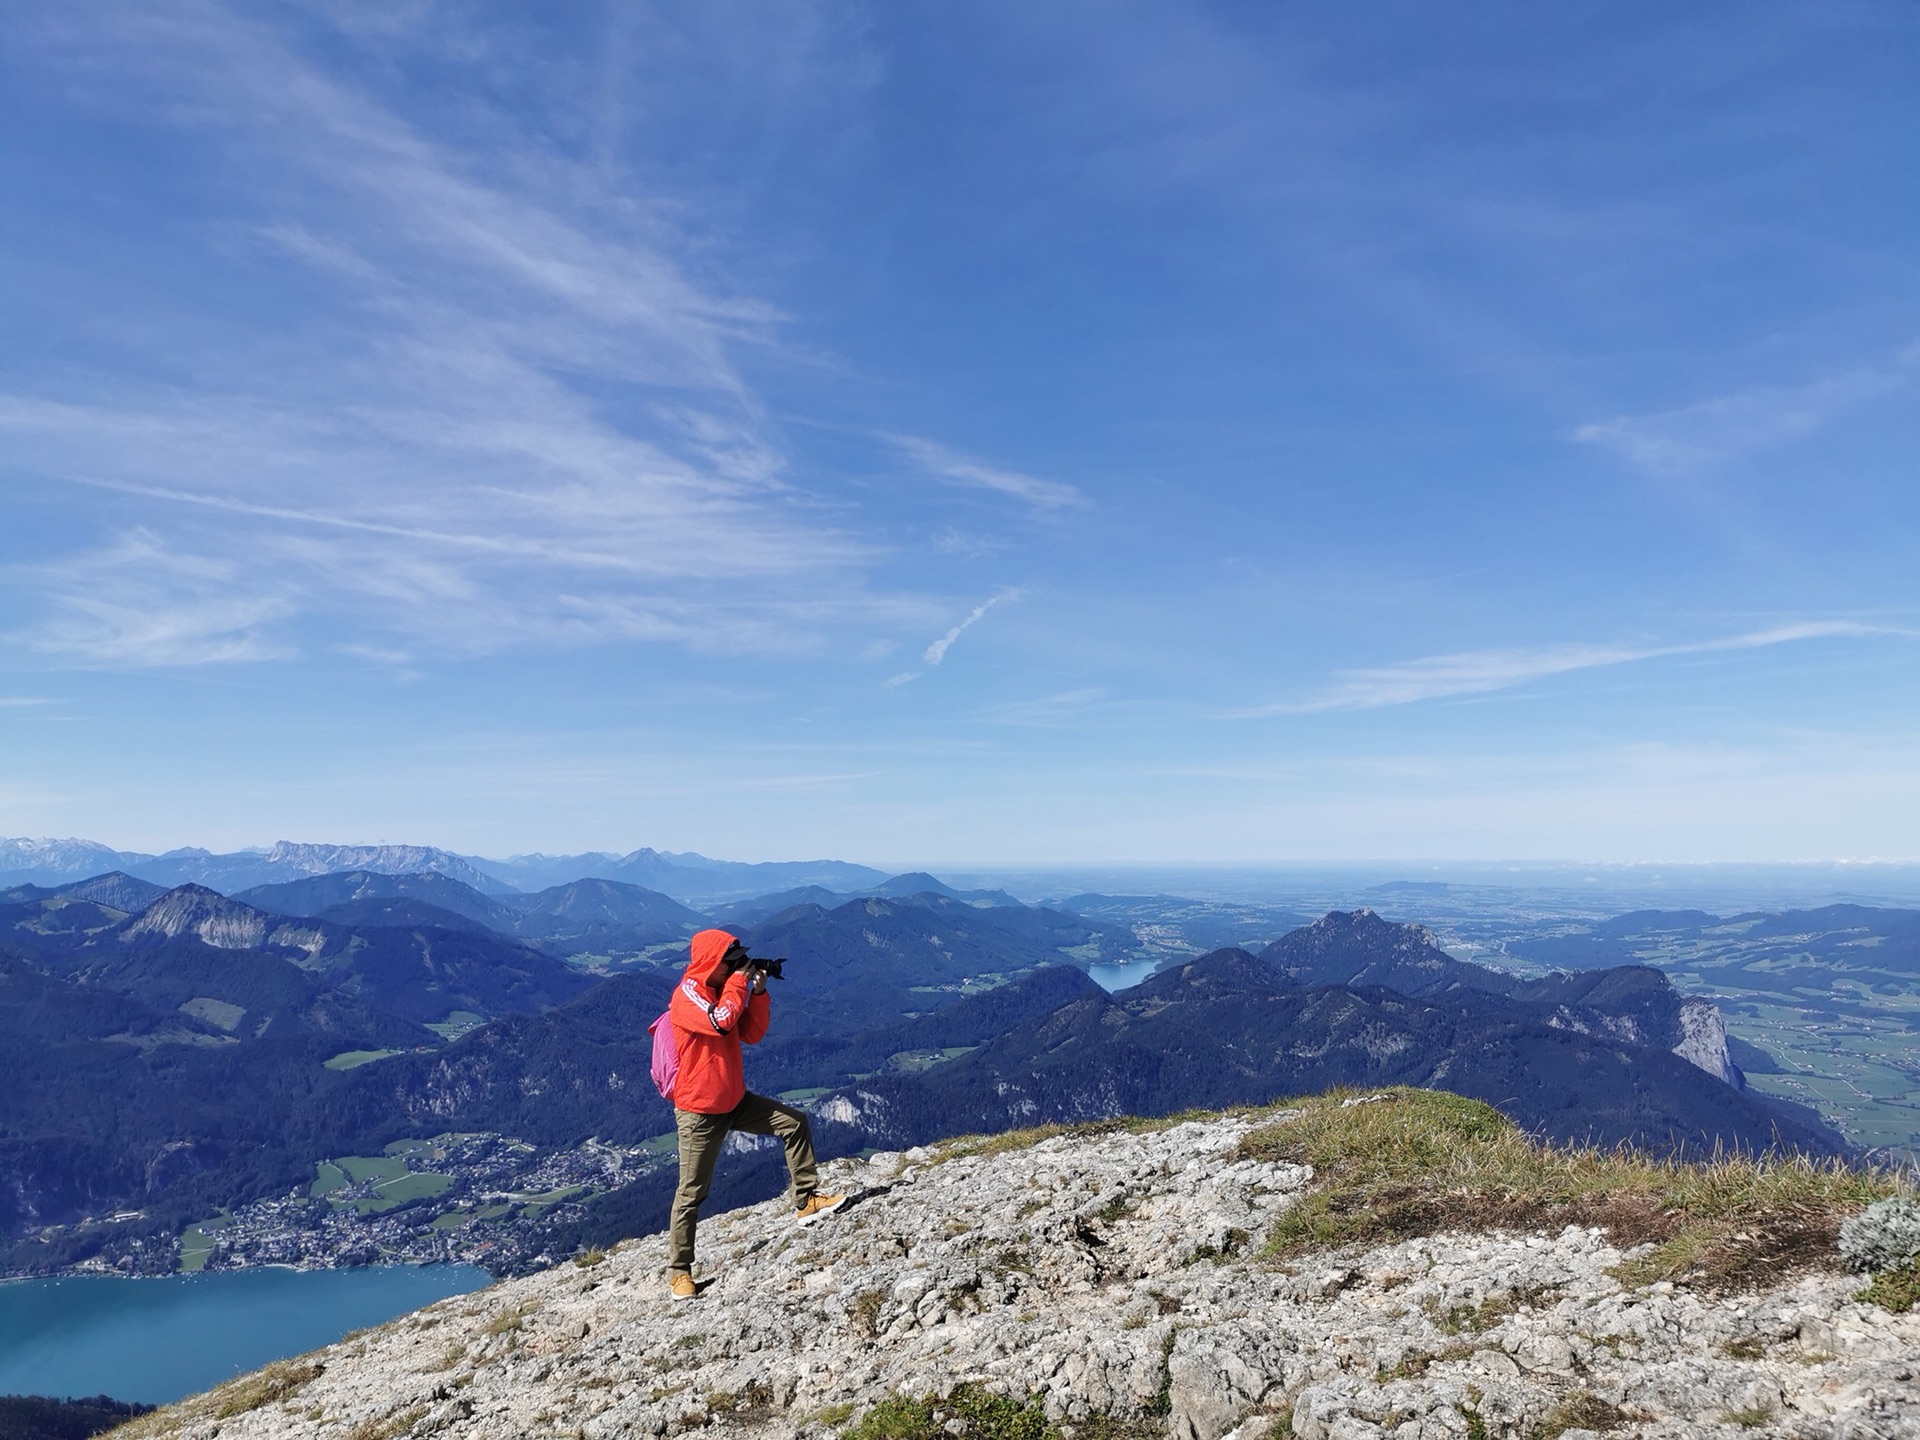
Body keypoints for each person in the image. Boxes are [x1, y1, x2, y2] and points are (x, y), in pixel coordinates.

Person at [665, 928, 844, 1300]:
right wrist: (738, 984)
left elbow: (751, 1033)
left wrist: (758, 993)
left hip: (734, 1099)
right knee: (692, 1192)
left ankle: (806, 1200)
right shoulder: (689, 995)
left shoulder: (721, 989)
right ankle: (680, 1271)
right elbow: (720, 1022)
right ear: (712, 963)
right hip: (699, 1110)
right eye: (730, 962)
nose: (737, 967)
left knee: (794, 1123)